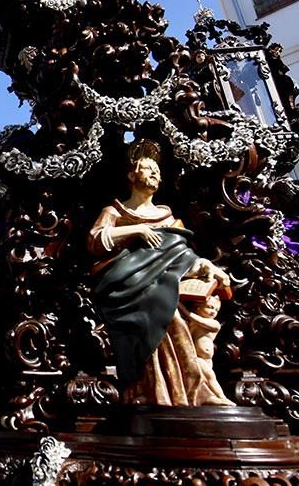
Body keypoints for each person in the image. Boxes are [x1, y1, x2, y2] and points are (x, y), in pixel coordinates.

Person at [88, 139, 233, 406]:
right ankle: (154, 391)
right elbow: (96, 241)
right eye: (148, 168)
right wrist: (137, 230)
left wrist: (207, 265)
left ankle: (194, 389)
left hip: (163, 285)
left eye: (157, 170)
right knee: (162, 305)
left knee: (173, 307)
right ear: (132, 175)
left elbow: (181, 255)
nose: (155, 174)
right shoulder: (115, 211)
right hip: (123, 284)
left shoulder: (166, 217)